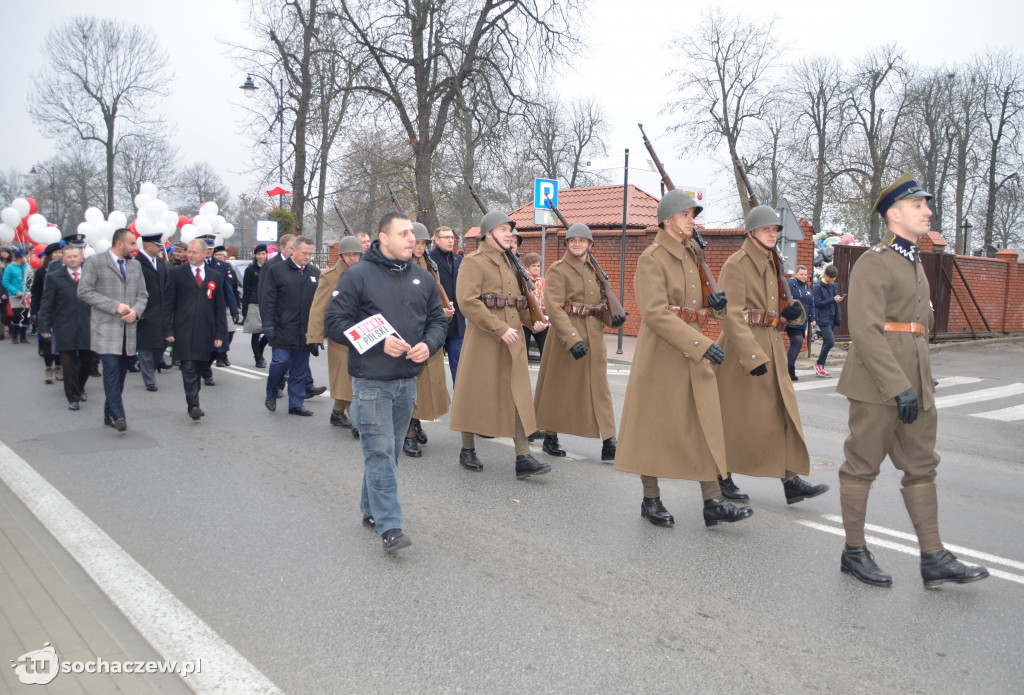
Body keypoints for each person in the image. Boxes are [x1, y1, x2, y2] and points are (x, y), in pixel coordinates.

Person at [837, 174, 988, 588]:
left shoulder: (914, 262)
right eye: (919, 205)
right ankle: (853, 551)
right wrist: (896, 384)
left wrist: (915, 381)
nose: (928, 211)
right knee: (862, 464)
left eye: (926, 204)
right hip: (877, 384)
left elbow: (921, 323)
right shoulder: (875, 261)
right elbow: (865, 330)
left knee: (921, 467)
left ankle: (933, 555)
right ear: (894, 214)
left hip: (917, 381)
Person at [614, 190, 748, 527]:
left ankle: (713, 500)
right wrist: (700, 344)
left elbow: (698, 307)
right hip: (663, 355)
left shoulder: (692, 254)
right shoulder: (652, 258)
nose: (692, 220)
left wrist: (716, 306)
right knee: (654, 429)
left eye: (692, 215)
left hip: (693, 351)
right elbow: (656, 314)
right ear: (668, 220)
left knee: (705, 425)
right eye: (686, 215)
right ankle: (651, 498)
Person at [324, 212, 447, 553]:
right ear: (383, 238)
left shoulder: (422, 277)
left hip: (408, 382)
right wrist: (378, 342)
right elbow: (334, 322)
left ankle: (370, 506)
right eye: (404, 233)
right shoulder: (357, 276)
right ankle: (390, 526)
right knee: (379, 452)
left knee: (389, 452)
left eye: (413, 234)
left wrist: (429, 344)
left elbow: (438, 321)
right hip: (371, 382)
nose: (412, 239)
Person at [715, 205, 829, 505]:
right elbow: (730, 315)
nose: (772, 233)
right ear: (751, 232)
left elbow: (780, 307)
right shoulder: (736, 264)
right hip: (743, 352)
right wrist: (751, 356)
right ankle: (721, 476)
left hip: (771, 346)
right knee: (734, 417)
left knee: (782, 414)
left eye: (775, 229)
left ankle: (790, 480)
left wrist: (791, 313)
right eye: (767, 229)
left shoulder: (772, 265)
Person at [449, 210, 551, 479]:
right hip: (485, 338)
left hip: (513, 338)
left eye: (510, 230)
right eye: (504, 229)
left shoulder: (512, 263)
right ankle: (467, 448)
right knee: (475, 393)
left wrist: (534, 320)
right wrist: (499, 327)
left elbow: (519, 301)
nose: (510, 234)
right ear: (488, 233)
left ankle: (523, 456)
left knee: (518, 394)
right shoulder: (473, 262)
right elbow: (467, 302)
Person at [534, 224, 625, 461]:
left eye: (582, 240)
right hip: (567, 338)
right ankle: (550, 435)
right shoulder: (558, 269)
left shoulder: (595, 271)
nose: (577, 244)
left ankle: (609, 440)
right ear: (566, 244)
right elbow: (554, 307)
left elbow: (601, 307)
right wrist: (572, 338)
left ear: (590, 245)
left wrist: (613, 318)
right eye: (572, 240)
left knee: (600, 390)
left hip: (594, 337)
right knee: (560, 389)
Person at [77, 227, 149, 432]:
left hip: (129, 329)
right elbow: (84, 291)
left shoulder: (135, 266)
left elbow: (143, 295)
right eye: (132, 243)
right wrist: (114, 306)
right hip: (106, 329)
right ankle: (119, 415)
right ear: (119, 244)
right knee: (110, 371)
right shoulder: (96, 262)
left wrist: (135, 311)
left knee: (120, 373)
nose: (136, 247)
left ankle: (109, 412)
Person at [403, 222, 453, 457]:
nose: (421, 247)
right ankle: (408, 433)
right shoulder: (401, 266)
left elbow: (435, 294)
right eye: (417, 242)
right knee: (412, 385)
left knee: (427, 386)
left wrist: (444, 310)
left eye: (424, 243)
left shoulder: (429, 265)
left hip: (429, 334)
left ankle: (416, 422)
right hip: (410, 332)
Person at [163, 239, 227, 421]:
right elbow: (168, 304)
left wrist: (219, 333)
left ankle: (193, 398)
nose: (190, 255)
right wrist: (167, 330)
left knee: (200, 368)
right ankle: (193, 405)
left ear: (205, 254)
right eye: (188, 252)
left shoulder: (214, 276)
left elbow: (219, 307)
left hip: (205, 331)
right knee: (189, 367)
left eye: (194, 252)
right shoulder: (177, 274)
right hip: (182, 331)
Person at [305, 235, 362, 433]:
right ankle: (357, 421)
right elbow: (318, 306)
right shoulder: (330, 276)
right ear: (341, 255)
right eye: (349, 254)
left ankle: (337, 412)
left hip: (360, 334)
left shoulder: (365, 274)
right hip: (339, 334)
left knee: (354, 378)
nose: (353, 258)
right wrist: (314, 336)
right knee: (344, 378)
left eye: (357, 254)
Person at [260, 235, 321, 416]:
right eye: (304, 253)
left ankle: (296, 404)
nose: (307, 257)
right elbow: (268, 299)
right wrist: (268, 325)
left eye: (310, 254)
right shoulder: (277, 270)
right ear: (293, 250)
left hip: (304, 330)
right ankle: (271, 394)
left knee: (300, 369)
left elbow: (319, 304)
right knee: (280, 362)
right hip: (282, 327)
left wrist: (317, 332)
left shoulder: (314, 273)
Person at [37, 243, 94, 410]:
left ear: (81, 257)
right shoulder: (54, 277)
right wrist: (44, 327)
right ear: (63, 259)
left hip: (88, 325)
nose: (72, 259)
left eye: (75, 256)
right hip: (64, 327)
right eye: (69, 256)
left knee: (88, 361)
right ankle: (73, 397)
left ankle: (80, 385)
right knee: (68, 364)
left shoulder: (91, 276)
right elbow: (47, 304)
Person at [428, 226, 465, 382]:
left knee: (460, 367)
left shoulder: (458, 259)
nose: (451, 240)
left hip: (457, 322)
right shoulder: (428, 259)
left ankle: (461, 403)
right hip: (436, 321)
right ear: (436, 240)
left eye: (452, 237)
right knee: (433, 370)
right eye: (446, 237)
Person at [134, 232, 169, 392]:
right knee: (146, 347)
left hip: (162, 311)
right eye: (157, 245)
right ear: (147, 246)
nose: (159, 248)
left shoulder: (161, 263)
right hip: (145, 311)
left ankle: (147, 366)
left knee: (162, 344)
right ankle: (149, 379)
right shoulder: (136, 263)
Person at [200, 237, 240, 369]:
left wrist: (234, 309)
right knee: (204, 341)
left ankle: (214, 362)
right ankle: (205, 370)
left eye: (211, 249)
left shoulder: (220, 265)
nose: (209, 251)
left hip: (218, 307)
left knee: (221, 337)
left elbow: (227, 288)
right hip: (200, 309)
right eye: (207, 248)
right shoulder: (195, 265)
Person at [30, 242, 63, 383]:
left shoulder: (64, 271)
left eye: (60, 252)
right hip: (46, 311)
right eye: (55, 253)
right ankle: (49, 369)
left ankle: (59, 367)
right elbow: (36, 294)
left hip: (61, 312)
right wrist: (34, 312)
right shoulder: (41, 272)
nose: (58, 255)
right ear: (49, 255)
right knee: (47, 341)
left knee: (60, 342)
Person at [785, 264, 816, 382]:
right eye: (801, 274)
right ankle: (789, 368)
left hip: (803, 320)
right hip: (793, 319)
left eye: (805, 274)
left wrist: (812, 318)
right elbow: (785, 298)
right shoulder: (791, 283)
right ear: (796, 274)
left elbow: (810, 302)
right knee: (797, 341)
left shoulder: (807, 285)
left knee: (798, 342)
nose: (804, 276)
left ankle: (789, 367)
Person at [812, 264, 843, 377]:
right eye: (831, 278)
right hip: (823, 318)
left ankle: (821, 368)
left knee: (826, 342)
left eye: (834, 278)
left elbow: (834, 301)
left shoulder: (834, 286)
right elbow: (818, 303)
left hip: (832, 317)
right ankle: (819, 364)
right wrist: (832, 300)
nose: (833, 280)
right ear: (826, 275)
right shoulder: (818, 286)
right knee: (831, 341)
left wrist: (837, 300)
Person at [242, 244, 269, 367]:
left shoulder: (271, 267)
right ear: (255, 255)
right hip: (254, 303)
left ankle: (260, 351)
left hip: (268, 304)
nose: (261, 256)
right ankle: (258, 358)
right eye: (258, 254)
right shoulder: (251, 269)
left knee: (269, 333)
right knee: (256, 332)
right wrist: (245, 307)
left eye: (263, 253)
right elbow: (246, 289)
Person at [520, 252, 548, 359]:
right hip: (524, 322)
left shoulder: (544, 282)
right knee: (523, 354)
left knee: (546, 350)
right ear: (527, 267)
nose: (536, 268)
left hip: (541, 319)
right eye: (533, 266)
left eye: (538, 266)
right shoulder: (522, 281)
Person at [3, 248, 30, 343]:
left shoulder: (27, 266)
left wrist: (30, 291)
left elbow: (32, 280)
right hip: (15, 295)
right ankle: (14, 335)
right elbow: (5, 282)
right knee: (17, 314)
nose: (27, 258)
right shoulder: (10, 267)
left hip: (27, 295)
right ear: (20, 257)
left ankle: (23, 336)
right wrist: (15, 291)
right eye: (25, 256)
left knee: (25, 315)